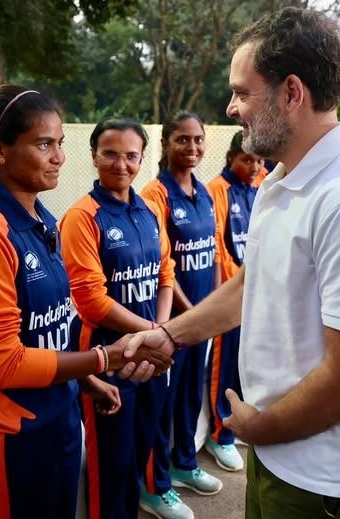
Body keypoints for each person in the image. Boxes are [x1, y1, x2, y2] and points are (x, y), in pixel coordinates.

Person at [122, 7, 340, 518]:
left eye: (242, 91)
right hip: (276, 448)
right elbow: (252, 284)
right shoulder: (281, 182)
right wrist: (173, 335)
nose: (231, 108)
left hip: (324, 476)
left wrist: (262, 427)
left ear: (292, 93)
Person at [0, 86, 170, 519]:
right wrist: (103, 359)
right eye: (44, 144)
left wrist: (81, 382)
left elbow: (48, 328)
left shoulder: (41, 218)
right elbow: (1, 363)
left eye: (60, 143)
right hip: (7, 435)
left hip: (56, 417)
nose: (59, 157)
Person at [59, 117, 178, 519]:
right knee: (109, 467)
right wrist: (155, 334)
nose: (121, 164)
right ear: (93, 156)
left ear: (143, 159)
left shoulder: (146, 211)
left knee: (135, 459)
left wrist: (159, 331)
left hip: (150, 357)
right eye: (110, 153)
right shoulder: (82, 217)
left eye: (131, 155)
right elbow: (91, 301)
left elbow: (165, 275)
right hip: (107, 361)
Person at [141, 111, 223, 517]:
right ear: (166, 145)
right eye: (182, 140)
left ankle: (183, 464)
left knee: (191, 395)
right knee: (162, 401)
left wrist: (216, 305)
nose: (192, 148)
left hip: (202, 320)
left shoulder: (205, 193)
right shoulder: (156, 195)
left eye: (197, 140)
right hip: (173, 324)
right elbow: (162, 267)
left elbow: (212, 253)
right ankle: (153, 486)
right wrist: (196, 315)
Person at [204, 129, 263, 472]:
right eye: (246, 160)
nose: (254, 166)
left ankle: (238, 425)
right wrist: (242, 280)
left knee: (246, 362)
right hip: (233, 293)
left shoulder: (259, 187)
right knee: (224, 367)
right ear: (231, 159)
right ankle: (219, 434)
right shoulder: (217, 189)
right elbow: (218, 245)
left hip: (256, 294)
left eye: (257, 160)